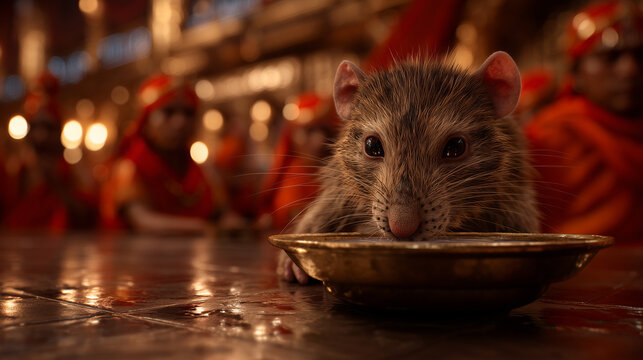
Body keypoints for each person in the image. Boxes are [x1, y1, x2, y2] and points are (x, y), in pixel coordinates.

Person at [526, 0, 643, 243]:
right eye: (611, 57)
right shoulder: (549, 138)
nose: (630, 69)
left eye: (640, 56)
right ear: (576, 73)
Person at [100, 74, 221, 234]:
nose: (180, 122)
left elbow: (221, 213)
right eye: (168, 112)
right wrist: (207, 228)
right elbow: (143, 221)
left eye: (188, 113)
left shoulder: (201, 171)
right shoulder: (130, 168)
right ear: (146, 120)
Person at [0, 72, 96, 232]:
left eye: (48, 129)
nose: (42, 135)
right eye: (37, 128)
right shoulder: (22, 167)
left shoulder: (67, 167)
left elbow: (84, 201)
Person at [258, 93, 340, 232]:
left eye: (325, 131)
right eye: (310, 131)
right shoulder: (293, 178)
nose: (319, 140)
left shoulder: (338, 173)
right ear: (293, 136)